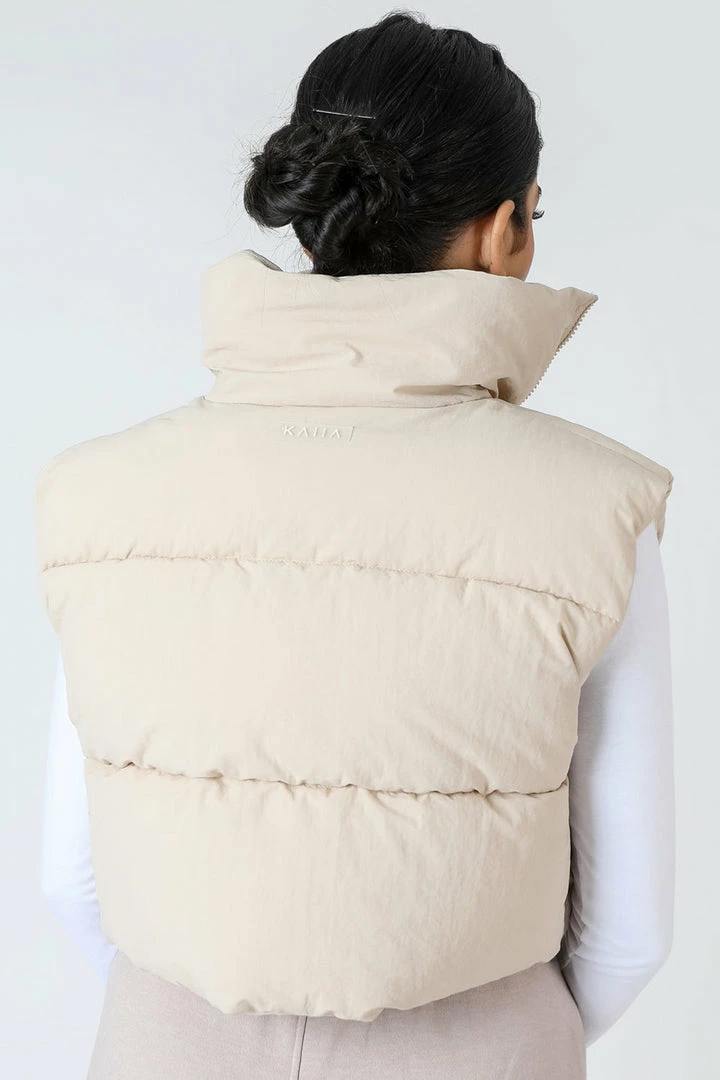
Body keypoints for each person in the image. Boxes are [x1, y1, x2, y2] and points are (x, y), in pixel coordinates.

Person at [35, 11, 674, 1079]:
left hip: (165, 1043)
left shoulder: (95, 491)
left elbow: (70, 877)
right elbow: (631, 932)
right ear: (505, 231)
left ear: (310, 222)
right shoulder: (600, 506)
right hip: (483, 1048)